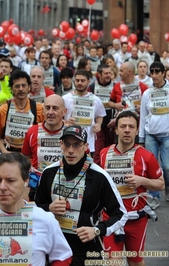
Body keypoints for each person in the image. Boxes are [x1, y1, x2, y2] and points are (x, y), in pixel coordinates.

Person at [35, 125, 128, 265]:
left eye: (77, 145)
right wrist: (49, 207)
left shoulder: (99, 176)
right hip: (54, 247)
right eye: (67, 144)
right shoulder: (49, 172)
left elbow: (120, 214)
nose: (71, 150)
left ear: (86, 146)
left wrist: (98, 230)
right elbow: (36, 207)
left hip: (86, 249)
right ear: (61, 144)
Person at [0, 153, 73, 265]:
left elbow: (63, 256)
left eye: (10, 180)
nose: (2, 187)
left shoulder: (45, 219)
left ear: (26, 181)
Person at [100, 110, 164, 265]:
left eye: (131, 126)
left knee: (135, 260)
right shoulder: (103, 154)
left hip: (136, 220)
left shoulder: (146, 156)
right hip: (111, 218)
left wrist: (142, 180)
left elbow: (161, 184)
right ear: (116, 130)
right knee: (112, 261)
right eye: (123, 126)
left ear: (136, 131)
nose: (127, 130)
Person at [22, 94, 66, 199]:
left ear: (64, 111)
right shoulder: (32, 131)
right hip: (39, 185)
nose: (50, 112)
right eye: (47, 108)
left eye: (55, 108)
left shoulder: (71, 132)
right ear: (42, 111)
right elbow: (25, 157)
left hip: (64, 185)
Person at [139, 61, 169, 208]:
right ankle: (154, 196)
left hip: (167, 135)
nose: (155, 75)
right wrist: (141, 138)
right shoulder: (147, 93)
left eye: (158, 72)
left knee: (167, 166)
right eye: (153, 72)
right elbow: (143, 116)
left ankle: (167, 187)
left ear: (163, 73)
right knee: (152, 167)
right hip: (151, 135)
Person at [0, 70, 43, 153]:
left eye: (24, 85)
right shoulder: (3, 110)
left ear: (29, 87)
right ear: (12, 89)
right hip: (9, 153)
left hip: (30, 155)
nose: (21, 89)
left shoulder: (39, 109)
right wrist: (4, 151)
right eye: (17, 86)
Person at [63, 69, 106, 157]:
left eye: (83, 81)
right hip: (69, 141)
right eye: (77, 80)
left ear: (88, 82)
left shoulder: (96, 100)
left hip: (89, 143)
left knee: (87, 168)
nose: (79, 83)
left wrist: (98, 124)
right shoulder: (65, 98)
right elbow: (58, 117)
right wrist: (66, 122)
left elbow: (100, 115)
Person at [88, 64, 115, 165]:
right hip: (97, 126)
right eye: (106, 73)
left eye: (110, 73)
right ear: (99, 75)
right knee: (98, 152)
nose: (108, 75)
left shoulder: (115, 85)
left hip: (112, 126)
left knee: (111, 151)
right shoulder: (92, 87)